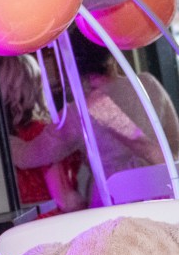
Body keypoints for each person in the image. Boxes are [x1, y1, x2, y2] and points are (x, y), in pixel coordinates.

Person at [9, 27, 178, 206]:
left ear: (72, 66)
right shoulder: (148, 85)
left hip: (113, 203)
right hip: (162, 196)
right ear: (111, 53)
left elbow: (28, 156)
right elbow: (175, 143)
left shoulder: (78, 112)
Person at [0, 54, 86, 215]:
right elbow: (65, 200)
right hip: (53, 223)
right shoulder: (41, 134)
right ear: (34, 86)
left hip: (24, 224)